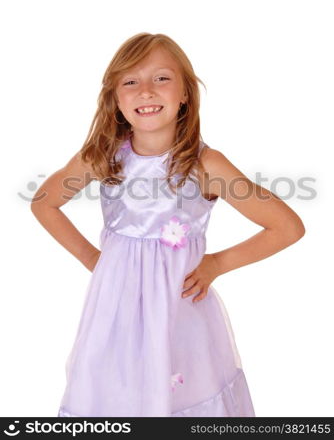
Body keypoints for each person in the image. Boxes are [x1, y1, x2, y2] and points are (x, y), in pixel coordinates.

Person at [31, 32, 305, 417]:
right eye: (130, 81)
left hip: (180, 312)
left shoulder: (205, 166)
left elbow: (286, 227)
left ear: (185, 94)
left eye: (161, 78)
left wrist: (218, 263)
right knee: (116, 397)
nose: (145, 91)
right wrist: (94, 260)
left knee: (180, 396)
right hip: (115, 313)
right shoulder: (104, 157)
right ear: (114, 99)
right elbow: (45, 203)